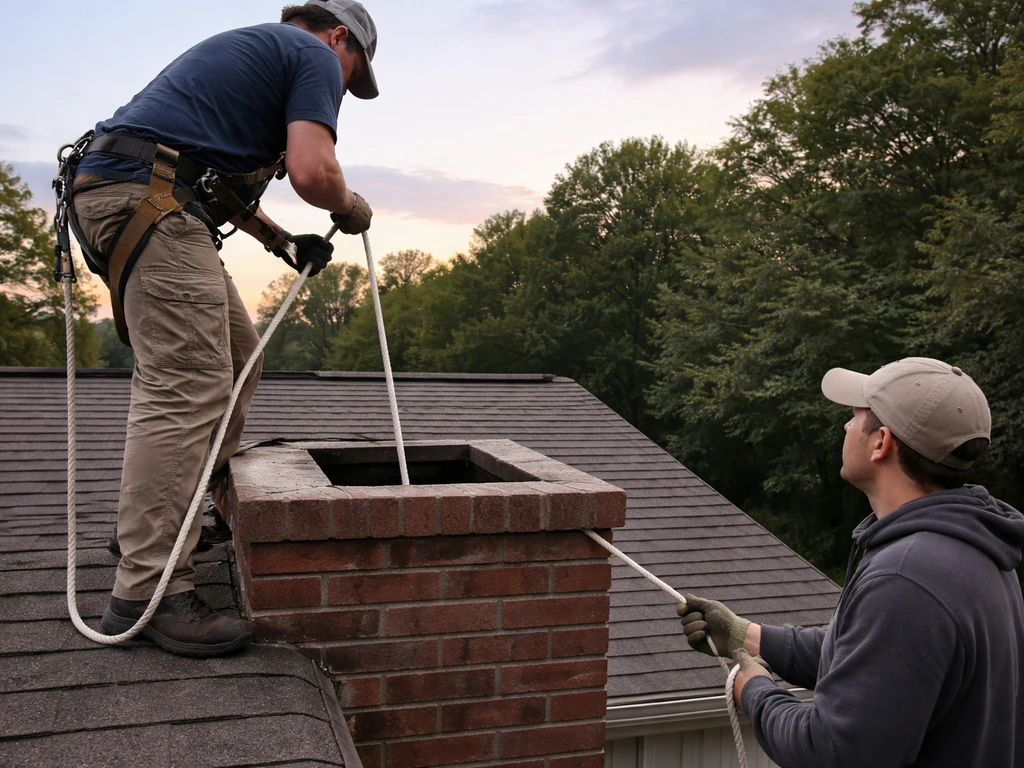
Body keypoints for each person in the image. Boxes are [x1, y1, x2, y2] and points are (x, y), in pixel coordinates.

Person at [65, 0, 379, 657]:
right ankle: (147, 589)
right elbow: (313, 170)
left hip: (145, 195)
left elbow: (221, 181)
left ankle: (160, 525)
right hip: (147, 201)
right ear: (338, 36)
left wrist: (282, 243)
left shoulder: (257, 58)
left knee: (238, 358)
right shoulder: (313, 56)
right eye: (354, 74)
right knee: (187, 385)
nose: (346, 86)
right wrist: (348, 207)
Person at [678, 357, 1024, 767]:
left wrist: (755, 690)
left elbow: (832, 752)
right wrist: (744, 635)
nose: (845, 426)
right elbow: (872, 655)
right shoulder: (970, 549)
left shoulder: (906, 580)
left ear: (881, 442)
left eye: (856, 415)